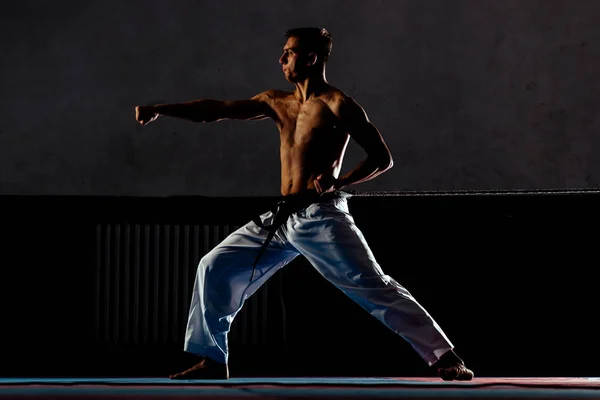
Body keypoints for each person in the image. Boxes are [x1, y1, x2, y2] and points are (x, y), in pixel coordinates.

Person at [134, 27, 474, 381]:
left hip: (320, 215)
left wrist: (339, 182)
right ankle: (212, 361)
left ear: (310, 58)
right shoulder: (276, 102)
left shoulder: (337, 104)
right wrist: (161, 108)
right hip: (281, 217)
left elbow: (381, 158)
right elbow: (217, 110)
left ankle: (445, 356)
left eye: (289, 52)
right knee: (214, 265)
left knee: (369, 282)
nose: (281, 59)